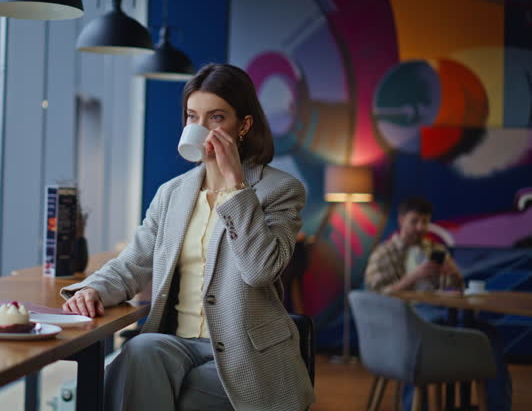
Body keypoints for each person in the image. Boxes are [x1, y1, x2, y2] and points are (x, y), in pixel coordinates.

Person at [60, 64, 315, 411]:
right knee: (139, 350)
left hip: (247, 356)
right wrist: (92, 289)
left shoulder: (280, 189)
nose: (201, 129)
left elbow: (260, 270)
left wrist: (236, 187)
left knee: (148, 388)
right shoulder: (172, 194)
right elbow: (134, 262)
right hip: (176, 346)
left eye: (215, 118)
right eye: (192, 117)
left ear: (243, 125)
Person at [364, 196, 512, 411]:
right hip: (404, 323)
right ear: (401, 220)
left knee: (488, 335)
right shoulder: (383, 253)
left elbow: (457, 290)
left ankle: (496, 407)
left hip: (442, 315)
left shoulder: (435, 250)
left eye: (425, 222)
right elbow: (375, 298)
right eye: (414, 221)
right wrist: (412, 278)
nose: (420, 227)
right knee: (426, 326)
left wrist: (453, 276)